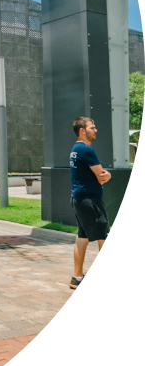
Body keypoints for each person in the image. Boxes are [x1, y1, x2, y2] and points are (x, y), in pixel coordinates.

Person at [69, 117, 111, 290]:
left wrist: (104, 175)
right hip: (90, 200)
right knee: (104, 237)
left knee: (82, 238)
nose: (96, 130)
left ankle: (77, 278)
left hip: (79, 199)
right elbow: (101, 177)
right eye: (92, 127)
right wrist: (108, 175)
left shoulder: (75, 149)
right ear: (82, 131)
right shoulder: (86, 150)